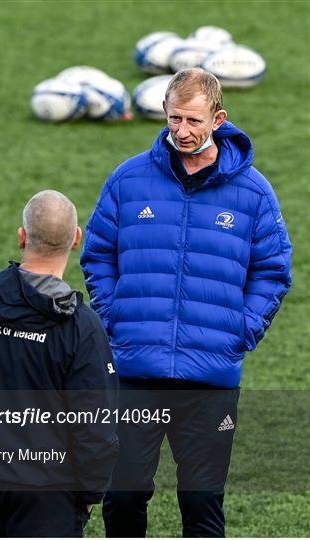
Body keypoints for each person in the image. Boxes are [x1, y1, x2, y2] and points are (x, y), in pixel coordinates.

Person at [80, 68, 292, 538]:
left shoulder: (253, 192)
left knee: (202, 504)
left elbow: (274, 270)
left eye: (194, 121)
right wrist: (116, 317)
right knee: (124, 496)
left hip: (209, 378)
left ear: (218, 118)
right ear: (164, 113)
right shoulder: (128, 179)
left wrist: (242, 329)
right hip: (136, 372)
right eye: (174, 119)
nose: (182, 131)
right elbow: (97, 254)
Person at [0, 189, 119, 538]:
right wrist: (90, 494)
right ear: (76, 240)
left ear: (22, 236)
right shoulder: (83, 329)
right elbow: (95, 426)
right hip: (51, 494)